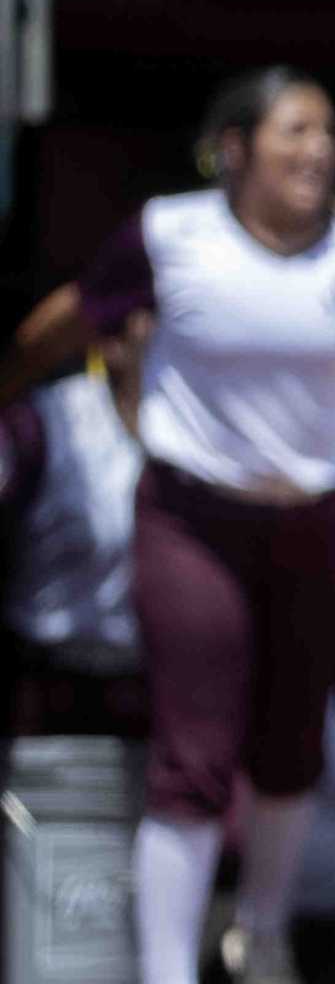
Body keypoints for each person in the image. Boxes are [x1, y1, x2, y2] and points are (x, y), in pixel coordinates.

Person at [0, 66, 335, 984]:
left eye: (326, 133)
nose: (316, 150)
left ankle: (261, 931)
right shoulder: (169, 233)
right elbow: (71, 320)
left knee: (292, 741)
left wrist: (328, 474)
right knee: (196, 743)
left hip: (312, 520)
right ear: (234, 149)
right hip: (191, 514)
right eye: (293, 131)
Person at [0, 312, 151, 747]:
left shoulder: (217, 433)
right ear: (111, 342)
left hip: (164, 696)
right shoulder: (47, 421)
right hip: (45, 691)